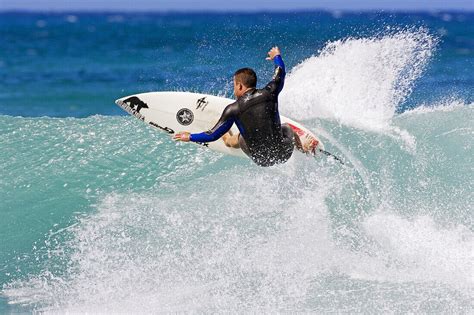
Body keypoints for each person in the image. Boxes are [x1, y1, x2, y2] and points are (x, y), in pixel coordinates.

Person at [173, 46, 311, 167]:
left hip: (261, 159)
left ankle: (227, 139)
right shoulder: (271, 92)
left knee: (241, 137)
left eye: (234, 85)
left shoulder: (233, 109)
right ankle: (304, 147)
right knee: (287, 128)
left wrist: (190, 136)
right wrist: (276, 56)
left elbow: (212, 135)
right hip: (283, 154)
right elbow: (280, 73)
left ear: (240, 85)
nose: (234, 90)